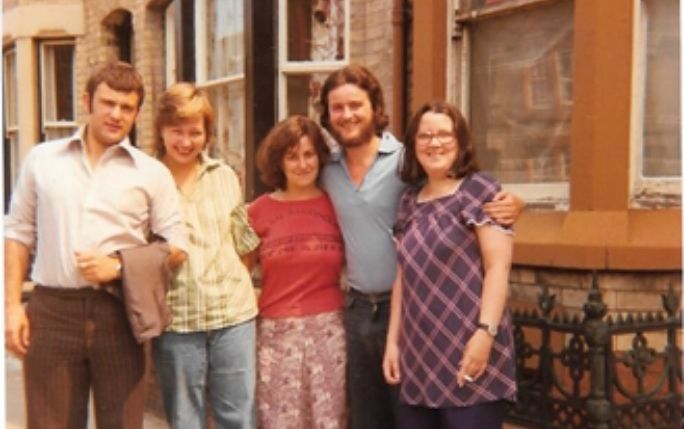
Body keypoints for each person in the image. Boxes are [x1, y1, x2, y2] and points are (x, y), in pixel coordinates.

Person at [317, 64, 523, 429]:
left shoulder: (409, 163)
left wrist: (516, 204)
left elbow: (496, 260)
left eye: (356, 105)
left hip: (449, 327)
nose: (347, 115)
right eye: (338, 108)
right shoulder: (327, 171)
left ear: (374, 107)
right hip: (373, 316)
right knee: (370, 420)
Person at [4, 61, 187, 429]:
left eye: (127, 108)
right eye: (109, 103)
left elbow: (177, 247)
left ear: (137, 113)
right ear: (88, 101)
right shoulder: (42, 161)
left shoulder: (151, 173)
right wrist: (10, 307)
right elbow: (17, 232)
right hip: (52, 309)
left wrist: (119, 266)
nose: (116, 115)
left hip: (119, 310)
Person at [383, 101, 516, 429]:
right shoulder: (408, 201)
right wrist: (392, 343)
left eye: (444, 134)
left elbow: (498, 268)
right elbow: (402, 276)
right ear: (413, 145)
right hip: (418, 353)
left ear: (460, 142)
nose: (434, 142)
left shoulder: (480, 190)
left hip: (469, 347)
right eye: (425, 135)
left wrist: (485, 335)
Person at [151, 82, 259, 429]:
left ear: (207, 133)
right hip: (178, 322)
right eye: (176, 131)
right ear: (161, 131)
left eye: (195, 132)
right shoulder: (148, 181)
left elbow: (244, 245)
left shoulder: (225, 176)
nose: (186, 141)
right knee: (185, 421)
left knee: (237, 419)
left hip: (233, 319)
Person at [247, 116, 347, 428]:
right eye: (292, 156)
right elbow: (239, 273)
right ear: (279, 161)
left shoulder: (338, 205)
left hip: (330, 331)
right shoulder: (257, 212)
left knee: (329, 420)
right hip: (276, 335)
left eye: (308, 154)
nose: (302, 164)